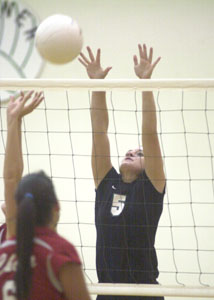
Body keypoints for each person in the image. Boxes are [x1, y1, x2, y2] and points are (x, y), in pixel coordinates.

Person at [79, 44, 166, 300]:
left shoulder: (152, 187)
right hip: (107, 291)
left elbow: (149, 133)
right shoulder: (107, 183)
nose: (131, 153)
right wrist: (97, 85)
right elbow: (99, 132)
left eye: (139, 153)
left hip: (144, 292)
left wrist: (145, 83)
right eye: (128, 151)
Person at [0, 91, 91, 300]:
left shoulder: (7, 247)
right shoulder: (59, 252)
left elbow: (11, 177)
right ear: (56, 207)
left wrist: (13, 120)